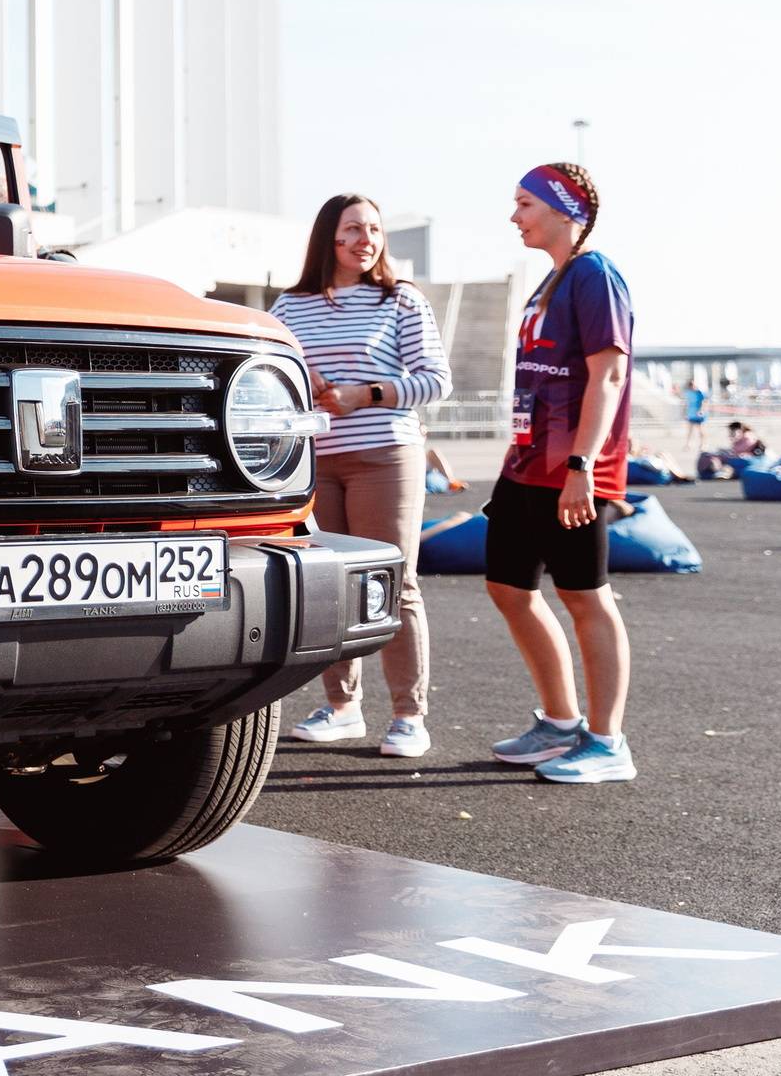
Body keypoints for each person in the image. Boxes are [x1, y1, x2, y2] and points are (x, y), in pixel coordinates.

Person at [273, 194, 451, 758]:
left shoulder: (401, 300)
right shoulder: (289, 306)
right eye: (353, 229)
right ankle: (343, 707)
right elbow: (271, 377)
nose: (366, 239)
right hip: (315, 460)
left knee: (395, 582)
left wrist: (365, 394)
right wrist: (304, 385)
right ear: (329, 236)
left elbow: (435, 379)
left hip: (386, 454)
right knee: (330, 584)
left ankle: (408, 715)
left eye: (374, 229)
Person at [484, 162, 637, 784]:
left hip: (571, 465)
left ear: (563, 208)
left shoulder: (595, 275)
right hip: (528, 462)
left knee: (584, 595)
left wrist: (582, 466)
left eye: (525, 203)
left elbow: (609, 375)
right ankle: (560, 722)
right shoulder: (553, 279)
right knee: (508, 588)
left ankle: (607, 742)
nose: (514, 216)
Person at [680, 380, 709, 451]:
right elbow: (686, 403)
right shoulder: (688, 393)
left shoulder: (699, 393)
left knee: (702, 430)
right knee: (690, 431)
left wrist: (701, 410)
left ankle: (703, 444)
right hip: (691, 414)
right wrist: (684, 413)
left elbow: (703, 402)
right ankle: (689, 444)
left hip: (699, 414)